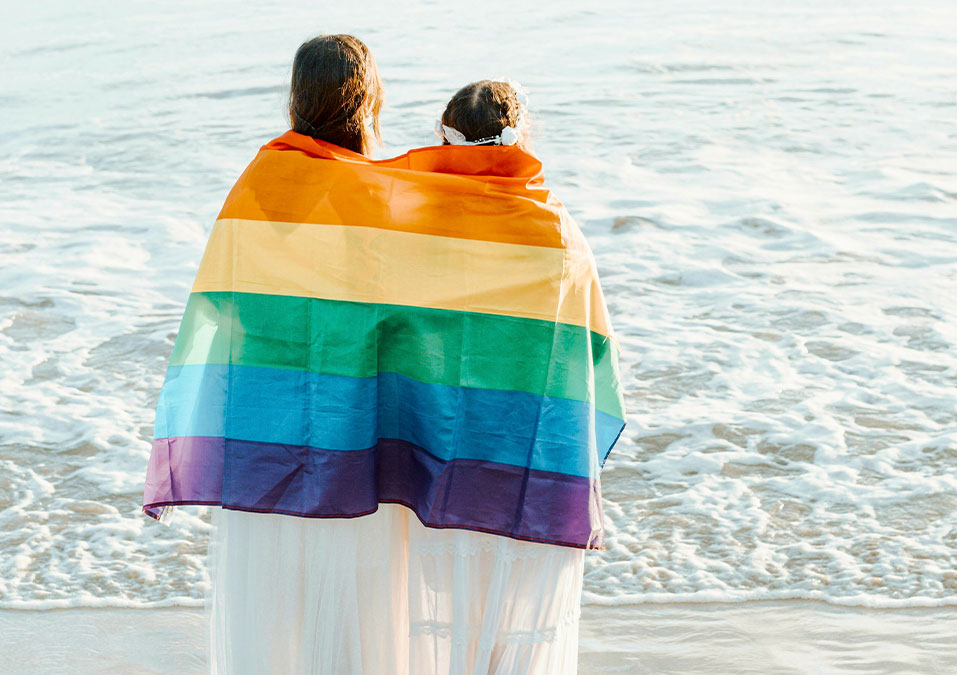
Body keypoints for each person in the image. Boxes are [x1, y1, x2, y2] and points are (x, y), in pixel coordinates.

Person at [142, 37, 625, 674]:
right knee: (392, 613)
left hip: (283, 441)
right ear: (372, 99)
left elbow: (229, 306)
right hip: (395, 447)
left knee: (302, 622)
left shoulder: (265, 185)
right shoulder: (419, 204)